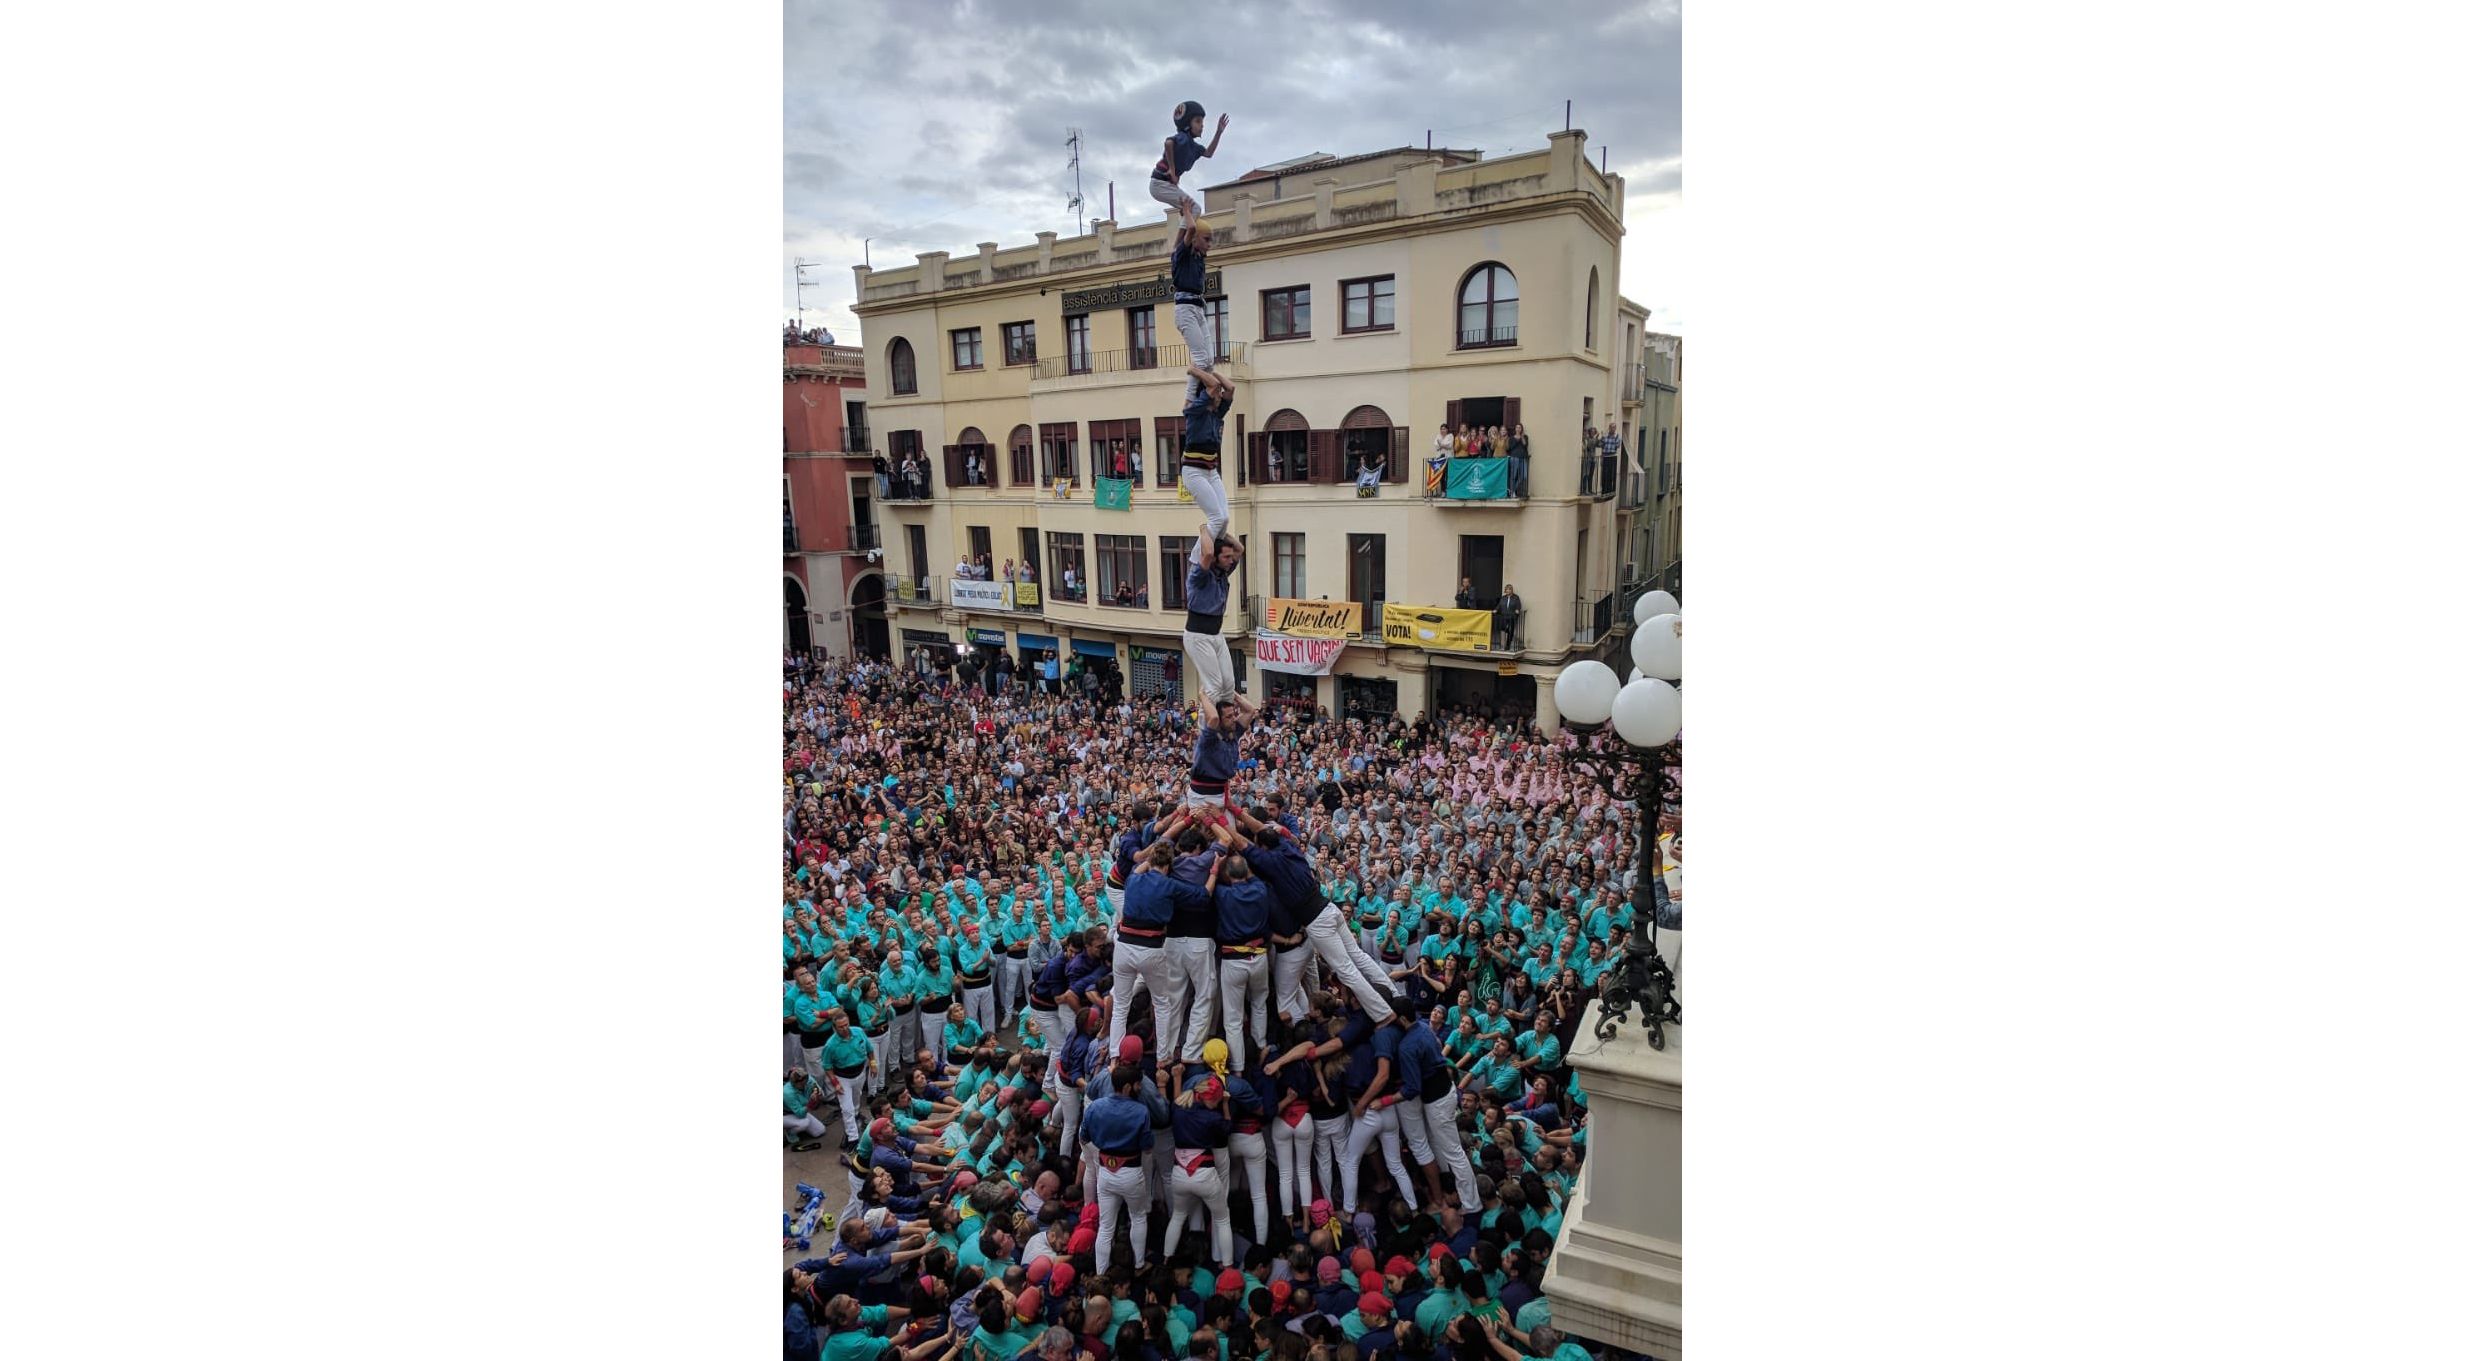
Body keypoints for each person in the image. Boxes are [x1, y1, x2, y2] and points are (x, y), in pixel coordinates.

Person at [1181, 524, 1248, 717]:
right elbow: (1208, 553)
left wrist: (1222, 531)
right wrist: (1206, 529)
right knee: (1214, 686)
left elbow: (1240, 550)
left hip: (1216, 634)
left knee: (1228, 685)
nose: (1230, 560)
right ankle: (1206, 727)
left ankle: (1225, 722)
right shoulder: (1199, 575)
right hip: (1198, 635)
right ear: (1216, 559)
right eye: (1225, 557)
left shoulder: (1222, 572)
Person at [1169, 220, 1230, 406]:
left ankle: (1202, 393)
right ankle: (1189, 401)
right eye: (1206, 240)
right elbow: (1189, 230)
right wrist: (1187, 212)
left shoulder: (1198, 258)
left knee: (1209, 361)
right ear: (1194, 239)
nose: (1209, 245)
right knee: (1201, 360)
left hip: (1197, 308)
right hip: (1185, 309)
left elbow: (1192, 231)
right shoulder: (1181, 256)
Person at [1149, 101, 1229, 225]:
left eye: (1202, 122)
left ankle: (1185, 237)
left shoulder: (1193, 146)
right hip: (1160, 183)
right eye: (1197, 121)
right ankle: (1182, 242)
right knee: (1195, 209)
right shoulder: (1183, 138)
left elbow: (1208, 153)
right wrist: (1172, 169)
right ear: (1187, 124)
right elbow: (1168, 143)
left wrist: (1218, 132)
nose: (1202, 125)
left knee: (1188, 209)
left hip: (1163, 184)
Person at [1492, 586, 1522, 653]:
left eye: (1509, 589)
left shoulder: (1516, 597)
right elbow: (1499, 605)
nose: (1508, 591)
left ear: (1512, 590)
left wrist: (1517, 609)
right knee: (1503, 629)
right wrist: (1496, 610)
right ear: (1505, 590)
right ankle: (1502, 645)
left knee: (1510, 630)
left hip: (1512, 617)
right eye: (1507, 589)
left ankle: (1507, 645)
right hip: (1504, 616)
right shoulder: (1503, 598)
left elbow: (1518, 605)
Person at [1505, 424, 1529, 499]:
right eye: (1517, 428)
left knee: (1524, 476)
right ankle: (1512, 493)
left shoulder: (1525, 437)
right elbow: (1511, 447)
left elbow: (1525, 445)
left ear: (1521, 429)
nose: (1518, 429)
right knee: (1513, 475)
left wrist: (1521, 437)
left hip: (1523, 458)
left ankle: (1512, 489)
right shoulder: (1511, 438)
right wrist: (1516, 439)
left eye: (1520, 428)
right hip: (1514, 457)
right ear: (1515, 429)